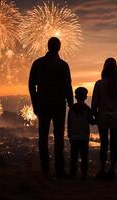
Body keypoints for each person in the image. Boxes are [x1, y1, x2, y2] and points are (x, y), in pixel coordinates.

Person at [28, 37, 73, 178]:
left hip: (43, 104)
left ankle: (45, 169)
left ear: (48, 47)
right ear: (59, 47)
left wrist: (35, 104)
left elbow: (31, 85)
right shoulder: (63, 65)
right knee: (59, 138)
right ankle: (59, 170)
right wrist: (71, 105)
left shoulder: (38, 63)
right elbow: (68, 87)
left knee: (43, 137)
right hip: (59, 105)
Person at [91, 57, 117, 180]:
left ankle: (102, 170)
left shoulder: (99, 84)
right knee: (113, 145)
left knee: (104, 145)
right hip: (116, 119)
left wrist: (95, 116)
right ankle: (112, 170)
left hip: (103, 118)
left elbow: (94, 104)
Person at [67, 87, 95, 180]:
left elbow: (69, 124)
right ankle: (84, 175)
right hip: (84, 137)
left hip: (74, 137)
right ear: (85, 97)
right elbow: (92, 122)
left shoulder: (71, 109)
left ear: (75, 96)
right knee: (84, 157)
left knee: (73, 157)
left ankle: (72, 174)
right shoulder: (87, 109)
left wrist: (70, 136)